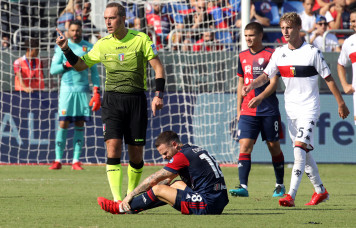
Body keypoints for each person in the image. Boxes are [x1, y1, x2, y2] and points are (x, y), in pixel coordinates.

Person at [54, 2, 165, 201]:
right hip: (112, 100)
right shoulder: (102, 43)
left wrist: (158, 95)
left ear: (123, 19)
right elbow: (80, 65)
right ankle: (117, 200)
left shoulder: (141, 39)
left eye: (111, 18)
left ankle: (131, 195)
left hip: (136, 100)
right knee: (112, 146)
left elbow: (158, 67)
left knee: (136, 152)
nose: (108, 22)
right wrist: (66, 50)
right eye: (105, 19)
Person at [243, 12, 349, 207]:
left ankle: (290, 195)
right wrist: (251, 86)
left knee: (299, 149)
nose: (285, 31)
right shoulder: (279, 53)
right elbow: (266, 76)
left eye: (289, 27)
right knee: (305, 153)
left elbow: (329, 79)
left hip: (309, 108)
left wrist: (341, 103)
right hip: (291, 110)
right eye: (283, 27)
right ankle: (320, 191)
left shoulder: (312, 52)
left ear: (299, 28)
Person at [97, 130, 229, 215]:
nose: (164, 157)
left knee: (158, 189)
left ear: (174, 145)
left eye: (165, 153)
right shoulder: (193, 149)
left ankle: (120, 208)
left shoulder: (181, 157)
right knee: (175, 184)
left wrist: (130, 195)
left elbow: (154, 179)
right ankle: (133, 208)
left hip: (208, 204)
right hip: (218, 199)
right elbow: (167, 180)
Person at [229, 22, 285, 198]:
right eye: (246, 36)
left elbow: (275, 82)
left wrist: (260, 98)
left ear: (260, 36)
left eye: (251, 35)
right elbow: (241, 83)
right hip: (247, 111)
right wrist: (238, 109)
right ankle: (243, 187)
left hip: (268, 110)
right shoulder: (242, 55)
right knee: (244, 146)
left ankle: (279, 185)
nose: (248, 39)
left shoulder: (272, 54)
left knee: (273, 146)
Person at [49, 20, 100, 170]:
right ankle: (58, 159)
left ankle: (75, 161)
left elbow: (95, 72)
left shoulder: (89, 47)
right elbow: (53, 70)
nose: (75, 33)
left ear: (81, 30)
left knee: (79, 124)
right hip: (67, 90)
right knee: (63, 123)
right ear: (68, 31)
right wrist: (66, 65)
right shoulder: (62, 47)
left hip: (83, 90)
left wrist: (96, 90)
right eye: (72, 30)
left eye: (78, 30)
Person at [337, 10, 356, 124]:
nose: (354, 24)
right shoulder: (349, 42)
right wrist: (344, 85)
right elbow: (340, 64)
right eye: (353, 21)